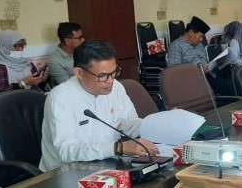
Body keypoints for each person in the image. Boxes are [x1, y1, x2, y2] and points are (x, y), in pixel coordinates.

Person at [40, 40, 158, 171]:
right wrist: (118, 148)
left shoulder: (116, 87)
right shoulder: (60, 98)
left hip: (106, 165)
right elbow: (67, 151)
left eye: (114, 73)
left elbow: (127, 124)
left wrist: (156, 125)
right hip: (65, 172)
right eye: (102, 76)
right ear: (79, 73)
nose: (110, 81)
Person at [167, 16, 234, 95]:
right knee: (225, 88)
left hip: (206, 76)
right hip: (190, 81)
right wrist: (195, 68)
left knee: (230, 84)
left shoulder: (200, 45)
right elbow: (173, 72)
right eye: (200, 36)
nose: (201, 40)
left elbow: (205, 62)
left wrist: (215, 63)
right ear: (191, 32)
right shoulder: (176, 46)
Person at [0, 30, 49, 96]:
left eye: (22, 45)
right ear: (3, 47)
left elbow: (38, 86)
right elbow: (1, 94)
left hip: (33, 98)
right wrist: (23, 83)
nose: (20, 49)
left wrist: (42, 79)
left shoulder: (27, 63)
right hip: (13, 102)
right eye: (16, 46)